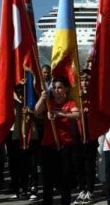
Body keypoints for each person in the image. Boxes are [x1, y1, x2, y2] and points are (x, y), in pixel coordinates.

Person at [35, 76, 81, 205]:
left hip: (65, 145)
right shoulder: (48, 102)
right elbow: (37, 112)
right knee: (47, 180)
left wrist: (60, 114)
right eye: (54, 88)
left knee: (65, 180)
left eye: (60, 87)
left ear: (66, 88)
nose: (57, 90)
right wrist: (42, 98)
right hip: (48, 145)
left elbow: (77, 114)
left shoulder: (70, 103)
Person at [75, 70, 98, 205]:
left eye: (86, 80)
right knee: (78, 165)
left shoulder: (94, 96)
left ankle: (90, 190)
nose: (84, 83)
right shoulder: (75, 96)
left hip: (90, 135)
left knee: (89, 165)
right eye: (82, 80)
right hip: (77, 134)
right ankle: (81, 190)